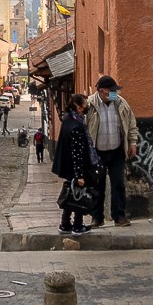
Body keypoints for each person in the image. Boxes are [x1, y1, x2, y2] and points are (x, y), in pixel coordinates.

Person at [84, 74, 139, 227]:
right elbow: (83, 128)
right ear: (101, 91)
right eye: (111, 90)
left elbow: (131, 123)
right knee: (97, 186)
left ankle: (119, 216)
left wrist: (132, 143)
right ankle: (97, 218)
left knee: (118, 184)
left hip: (116, 150)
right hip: (97, 152)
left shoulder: (121, 104)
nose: (115, 93)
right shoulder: (89, 105)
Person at [50, 100, 98, 234]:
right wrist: (79, 175)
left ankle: (65, 224)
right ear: (78, 107)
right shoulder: (76, 126)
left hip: (67, 165)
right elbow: (77, 152)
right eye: (84, 106)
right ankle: (77, 225)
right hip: (76, 166)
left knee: (72, 194)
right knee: (79, 195)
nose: (86, 108)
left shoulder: (68, 119)